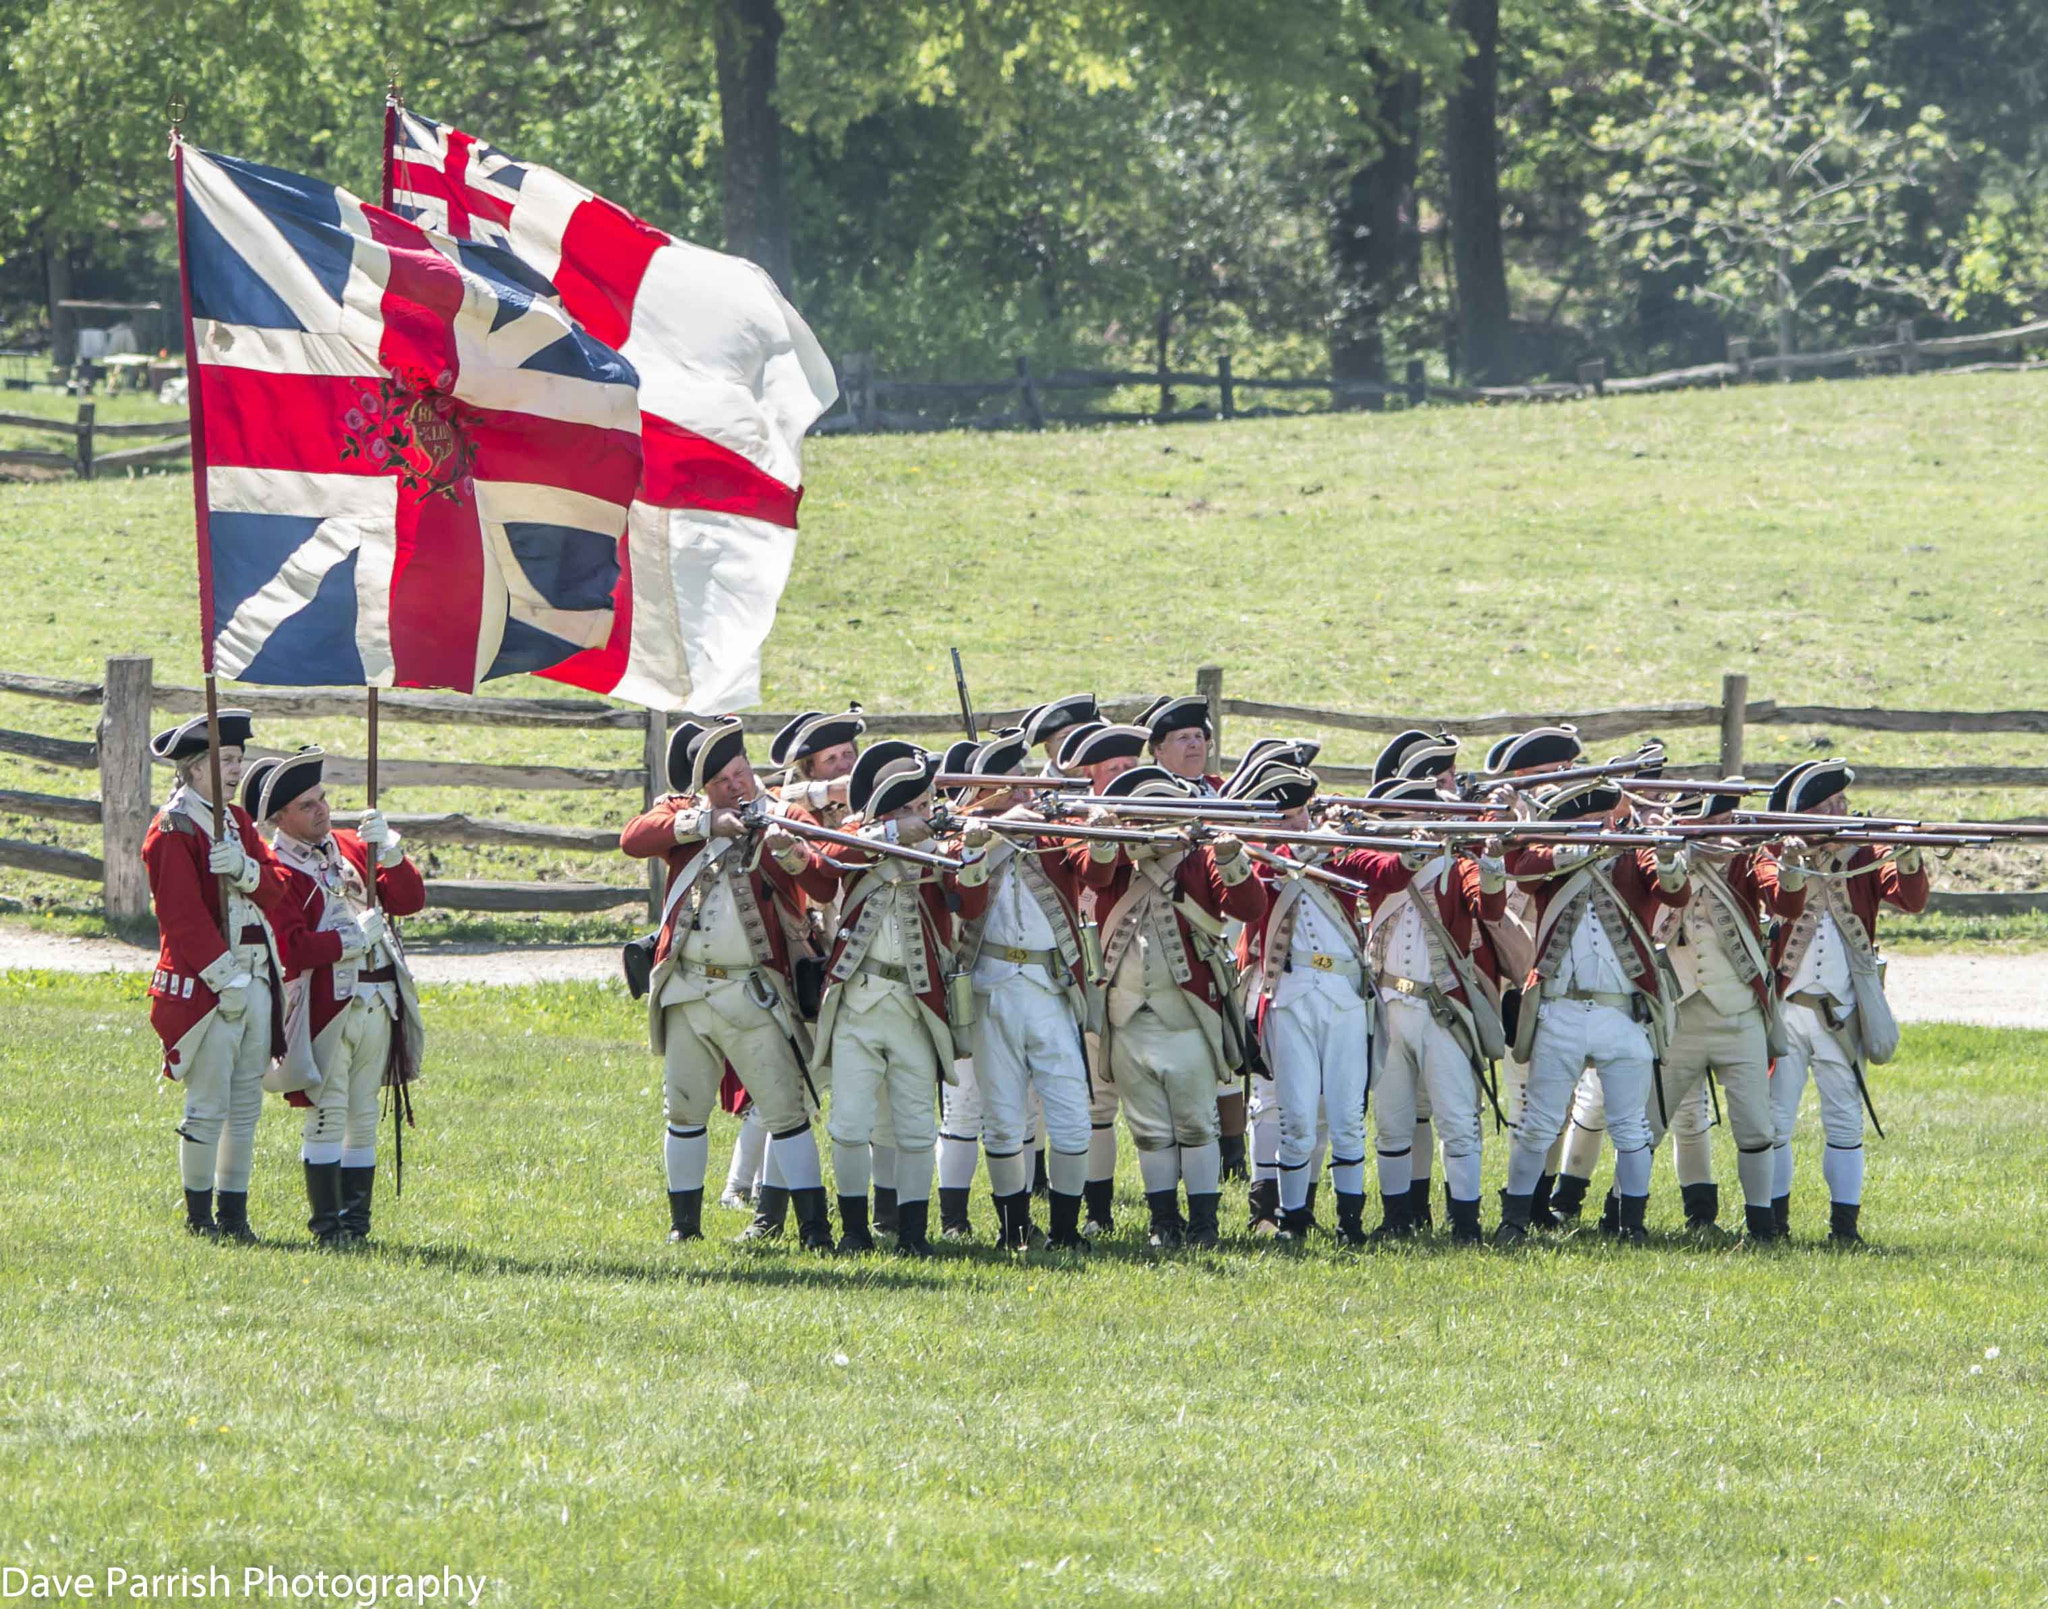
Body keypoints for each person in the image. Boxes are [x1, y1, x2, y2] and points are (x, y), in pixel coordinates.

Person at [618, 718, 842, 1249]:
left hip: (754, 990)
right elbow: (633, 838)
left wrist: (791, 852)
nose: (736, 785)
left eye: (740, 772)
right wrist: (704, 824)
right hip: (688, 989)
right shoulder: (685, 816)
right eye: (722, 780)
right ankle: (685, 1226)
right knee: (684, 1110)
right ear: (703, 789)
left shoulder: (783, 815)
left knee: (786, 1112)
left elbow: (824, 883)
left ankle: (814, 1229)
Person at [809, 741, 992, 1256]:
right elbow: (827, 865)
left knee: (915, 1125)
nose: (921, 815)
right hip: (857, 1000)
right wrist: (892, 835)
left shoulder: (941, 848)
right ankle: (853, 1230)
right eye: (907, 807)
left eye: (923, 805)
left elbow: (971, 902)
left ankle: (913, 1233)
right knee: (848, 1124)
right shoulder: (856, 838)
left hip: (918, 1005)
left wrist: (972, 853)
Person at [241, 748, 426, 1248]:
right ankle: (328, 1228)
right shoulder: (277, 870)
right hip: (327, 1006)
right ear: (281, 817)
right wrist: (350, 941)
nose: (322, 810)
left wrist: (391, 854)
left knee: (364, 1114)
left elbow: (409, 900)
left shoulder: (349, 845)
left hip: (379, 999)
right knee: (328, 1111)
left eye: (322, 799)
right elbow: (293, 947)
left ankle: (356, 1226)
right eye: (308, 805)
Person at [1081, 765, 1267, 1248]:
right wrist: (1105, 834)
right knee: (1148, 1129)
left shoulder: (1200, 859)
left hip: (1188, 1016)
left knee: (1195, 1123)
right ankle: (1163, 1221)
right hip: (1125, 1017)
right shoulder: (1116, 856)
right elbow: (1095, 871)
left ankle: (1204, 1223)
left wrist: (1231, 859)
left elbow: (1248, 907)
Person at [1497, 780, 1690, 1245]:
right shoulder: (1552, 854)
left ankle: (1632, 1224)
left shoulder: (1633, 855)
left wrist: (1666, 856)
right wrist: (1576, 846)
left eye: (1598, 820)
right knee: (1539, 1122)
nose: (1594, 827)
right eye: (1580, 821)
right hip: (1559, 1011)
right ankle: (1515, 1220)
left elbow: (1675, 893)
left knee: (1630, 1126)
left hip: (1622, 1014)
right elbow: (1522, 868)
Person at [941, 730, 1102, 1251]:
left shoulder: (1055, 831)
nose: (1025, 798)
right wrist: (986, 837)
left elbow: (1096, 869)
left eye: (1025, 788)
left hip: (1050, 988)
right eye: (1010, 790)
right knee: (1003, 1118)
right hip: (990, 990)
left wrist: (1098, 832)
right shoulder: (969, 839)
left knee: (1072, 1113)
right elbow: (962, 903)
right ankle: (1013, 1231)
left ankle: (1065, 1230)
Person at [141, 710, 293, 1241]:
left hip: (254, 979)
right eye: (225, 760)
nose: (235, 771)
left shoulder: (237, 823)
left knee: (246, 1105)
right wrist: (223, 978)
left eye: (239, 760)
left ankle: (235, 1215)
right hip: (210, 987)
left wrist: (245, 869)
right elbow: (181, 919)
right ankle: (199, 1218)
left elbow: (277, 889)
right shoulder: (174, 828)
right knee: (207, 1104)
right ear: (194, 767)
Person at [1765, 760, 1929, 1245]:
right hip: (1788, 1010)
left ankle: (1844, 1228)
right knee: (1775, 1121)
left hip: (1841, 1012)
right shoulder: (1779, 853)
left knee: (1844, 1119)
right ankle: (1773, 1225)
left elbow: (1911, 899)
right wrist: (1796, 859)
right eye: (1830, 806)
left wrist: (1907, 856)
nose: (1843, 812)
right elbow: (1779, 900)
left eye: (1842, 803)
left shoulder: (1865, 853)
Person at [1356, 775, 1509, 1244]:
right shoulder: (1378, 862)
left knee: (1458, 1122)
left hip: (1439, 1007)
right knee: (1392, 1122)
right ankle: (1396, 1219)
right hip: (1387, 1007)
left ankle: (1465, 1224)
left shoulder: (1455, 866)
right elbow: (1370, 868)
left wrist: (1493, 860)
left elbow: (1491, 906)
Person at [1058, 721, 1152, 1236]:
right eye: (1113, 770)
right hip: (1100, 972)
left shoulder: (1164, 809)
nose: (1124, 777)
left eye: (1130, 769)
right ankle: (1097, 1211)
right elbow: (1094, 875)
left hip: (1156, 976)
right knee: (1097, 1103)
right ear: (1092, 778)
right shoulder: (1080, 821)